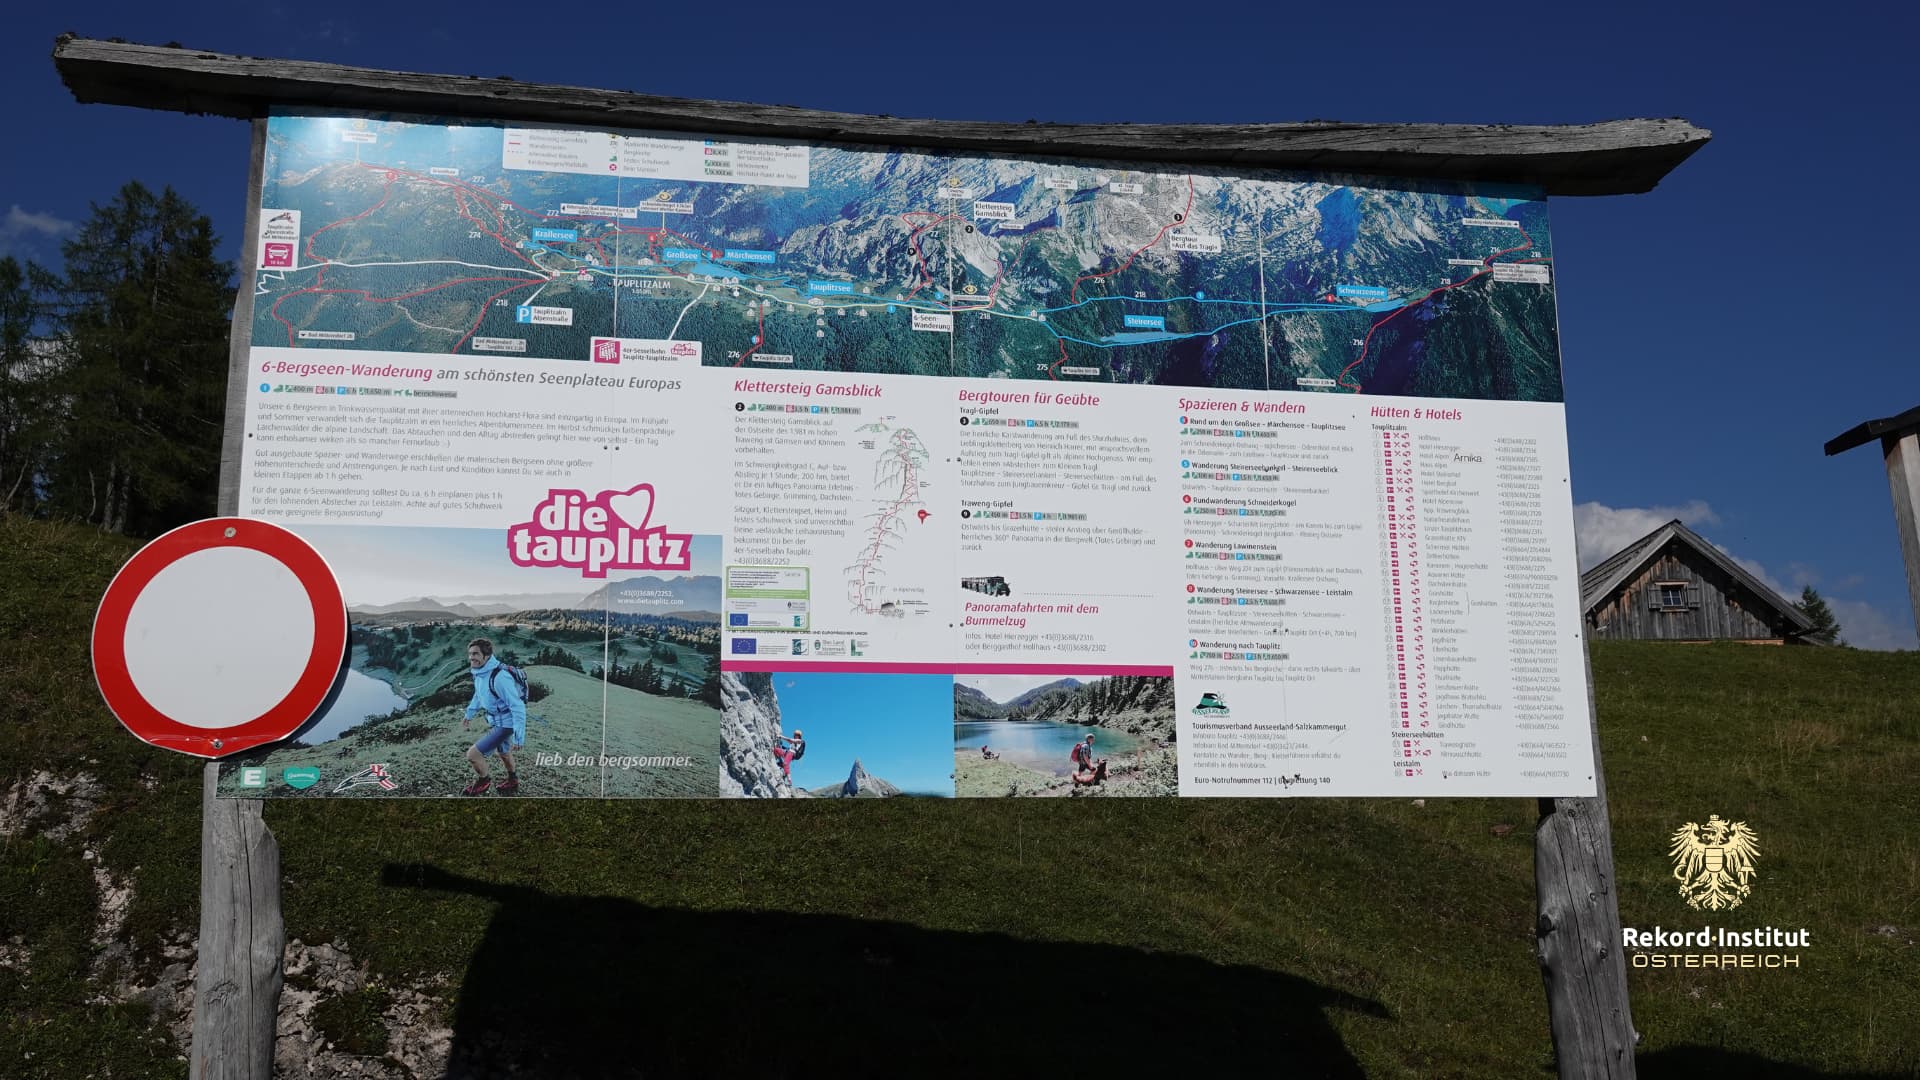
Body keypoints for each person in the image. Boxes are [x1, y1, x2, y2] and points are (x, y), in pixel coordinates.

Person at [461, 637, 525, 795]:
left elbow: (517, 707)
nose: (471, 658)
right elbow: (479, 694)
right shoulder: (480, 673)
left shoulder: (500, 677)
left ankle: (484, 782)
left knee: (473, 755)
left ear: (487, 655)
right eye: (470, 654)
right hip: (497, 721)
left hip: (506, 724)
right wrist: (469, 713)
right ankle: (513, 780)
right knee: (504, 752)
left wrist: (519, 736)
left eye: (476, 654)